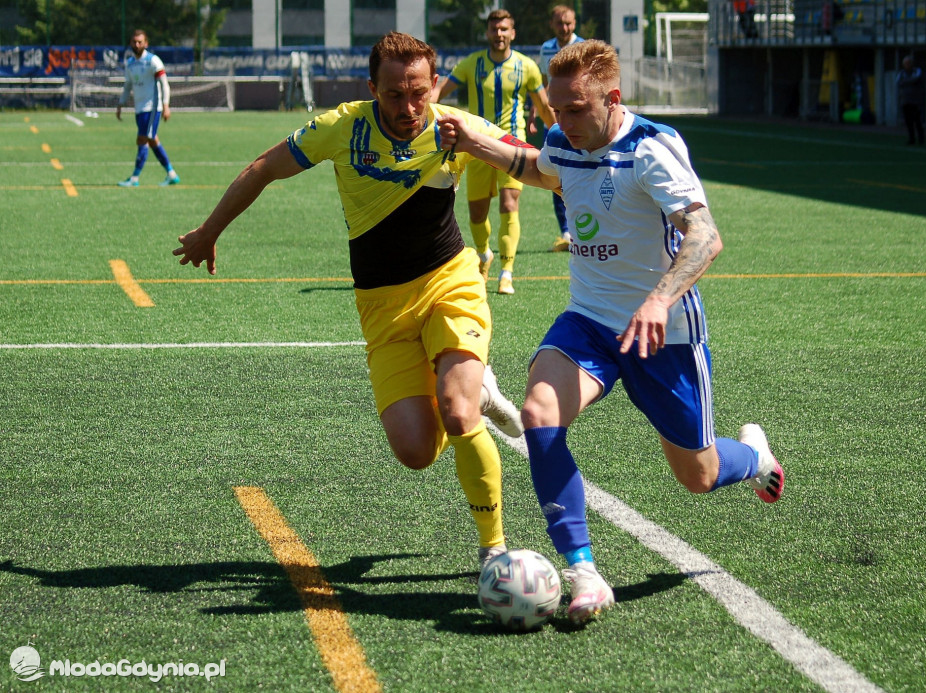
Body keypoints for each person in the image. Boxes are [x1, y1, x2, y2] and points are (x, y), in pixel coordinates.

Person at [438, 40, 784, 626]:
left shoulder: (652, 149)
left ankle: (752, 457)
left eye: (576, 110)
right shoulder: (562, 139)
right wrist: (478, 145)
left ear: (612, 99)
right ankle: (583, 573)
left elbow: (704, 237)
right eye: (555, 109)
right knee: (540, 413)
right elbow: (539, 169)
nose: (562, 123)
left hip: (663, 332)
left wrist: (656, 300)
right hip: (590, 320)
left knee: (695, 476)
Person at [173, 32, 526, 575]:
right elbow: (265, 167)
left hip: (450, 282)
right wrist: (209, 231)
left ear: (434, 85)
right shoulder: (343, 127)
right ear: (371, 89)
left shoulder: (459, 127)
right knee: (415, 451)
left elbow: (537, 163)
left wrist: (513, 154)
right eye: (393, 95)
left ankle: (494, 550)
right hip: (382, 306)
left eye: (418, 93)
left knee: (457, 413)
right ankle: (476, 385)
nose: (408, 108)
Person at [432, 10, 555, 296]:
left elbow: (545, 106)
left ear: (513, 34)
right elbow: (440, 91)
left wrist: (561, 138)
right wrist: (428, 112)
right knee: (477, 214)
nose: (499, 34)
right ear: (487, 33)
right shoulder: (471, 64)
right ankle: (484, 254)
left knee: (509, 205)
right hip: (475, 145)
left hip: (513, 144)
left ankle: (506, 271)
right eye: (494, 29)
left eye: (504, 29)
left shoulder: (527, 67)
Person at [539, 5, 585, 253]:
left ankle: (585, 229)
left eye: (568, 23)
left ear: (574, 23)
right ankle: (566, 232)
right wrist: (537, 107)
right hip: (555, 120)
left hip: (579, 121)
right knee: (556, 173)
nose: (564, 28)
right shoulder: (546, 48)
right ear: (553, 24)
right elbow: (544, 83)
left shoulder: (584, 48)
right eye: (560, 23)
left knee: (584, 172)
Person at [115, 29, 179, 187]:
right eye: (134, 42)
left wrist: (166, 106)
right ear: (130, 43)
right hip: (139, 109)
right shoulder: (130, 63)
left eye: (140, 42)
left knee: (142, 139)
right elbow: (128, 85)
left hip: (152, 108)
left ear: (146, 43)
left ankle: (135, 178)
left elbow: (165, 84)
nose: (137, 44)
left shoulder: (153, 61)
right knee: (152, 140)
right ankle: (171, 174)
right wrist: (121, 104)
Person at [896, 55, 925, 145]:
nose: (907, 65)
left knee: (917, 121)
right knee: (908, 122)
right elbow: (898, 82)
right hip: (905, 101)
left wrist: (906, 81)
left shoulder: (917, 71)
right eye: (905, 64)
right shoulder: (901, 73)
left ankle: (921, 139)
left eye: (909, 63)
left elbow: (916, 79)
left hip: (916, 101)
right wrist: (909, 81)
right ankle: (911, 139)